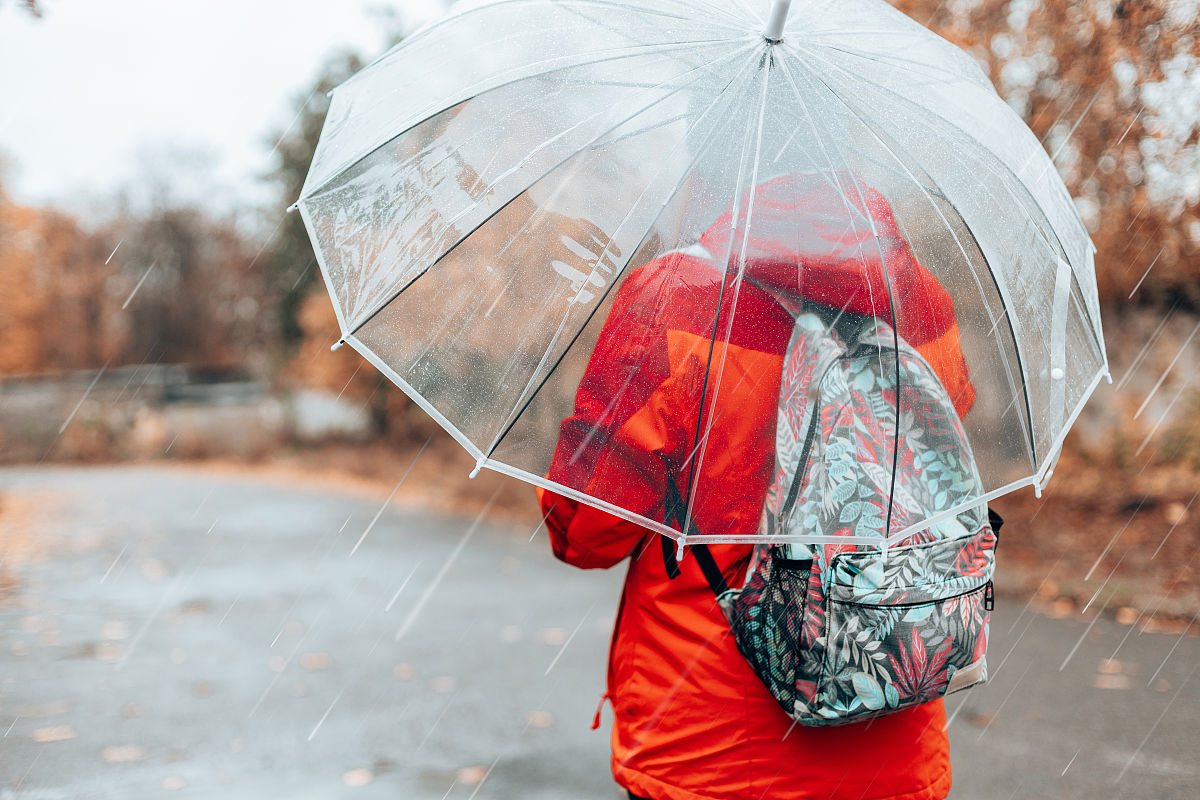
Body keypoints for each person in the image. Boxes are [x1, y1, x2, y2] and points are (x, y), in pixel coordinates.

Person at [536, 173, 976, 800]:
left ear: (714, 165)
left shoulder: (679, 299)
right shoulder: (917, 300)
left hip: (711, 744)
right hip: (893, 713)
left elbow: (587, 530)